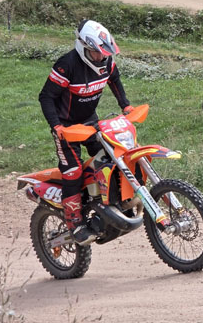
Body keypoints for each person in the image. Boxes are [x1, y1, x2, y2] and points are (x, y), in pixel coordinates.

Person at [39, 20, 133, 246]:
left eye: (105, 53)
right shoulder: (67, 65)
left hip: (90, 122)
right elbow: (46, 97)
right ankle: (75, 223)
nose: (101, 57)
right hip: (66, 127)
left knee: (112, 157)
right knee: (73, 171)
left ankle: (109, 203)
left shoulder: (107, 62)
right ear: (83, 47)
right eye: (96, 52)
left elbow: (114, 80)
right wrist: (56, 126)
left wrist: (126, 105)